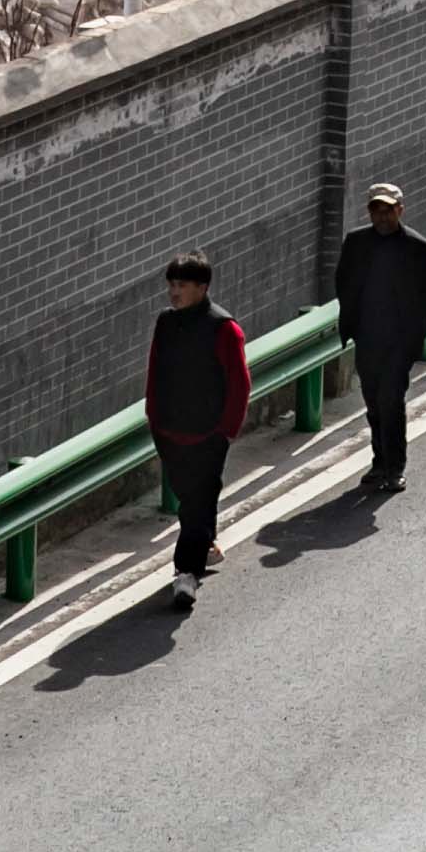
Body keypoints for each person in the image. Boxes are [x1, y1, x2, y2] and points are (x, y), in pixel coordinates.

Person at [143, 251, 250, 612]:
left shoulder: (224, 328)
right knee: (190, 496)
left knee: (196, 500)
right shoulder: (165, 322)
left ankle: (185, 573)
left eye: (182, 285)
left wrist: (226, 431)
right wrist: (154, 419)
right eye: (172, 285)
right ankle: (205, 542)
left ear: (202, 288)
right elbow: (155, 372)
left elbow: (239, 383)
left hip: (208, 433)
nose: (174, 292)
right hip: (170, 431)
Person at [334, 183, 426, 494]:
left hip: (400, 341)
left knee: (390, 399)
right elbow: (343, 280)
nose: (382, 217)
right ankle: (379, 461)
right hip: (368, 337)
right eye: (376, 211)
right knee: (373, 401)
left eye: (388, 211)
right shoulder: (356, 242)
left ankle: (394, 467)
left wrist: (413, 324)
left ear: (400, 210)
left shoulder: (417, 247)